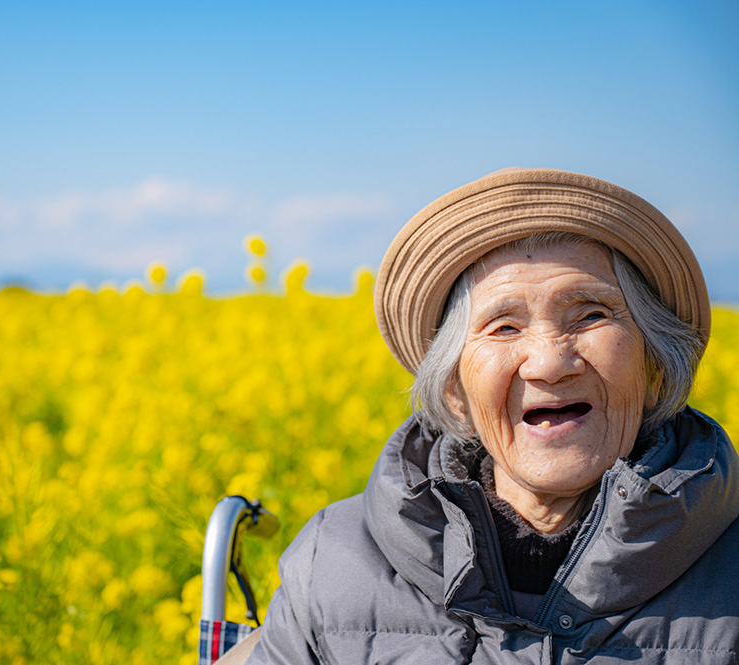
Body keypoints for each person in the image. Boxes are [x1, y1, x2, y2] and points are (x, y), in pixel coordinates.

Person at [245, 168, 739, 663]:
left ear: (654, 367)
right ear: (454, 391)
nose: (549, 363)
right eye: (503, 327)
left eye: (591, 315)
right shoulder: (330, 564)